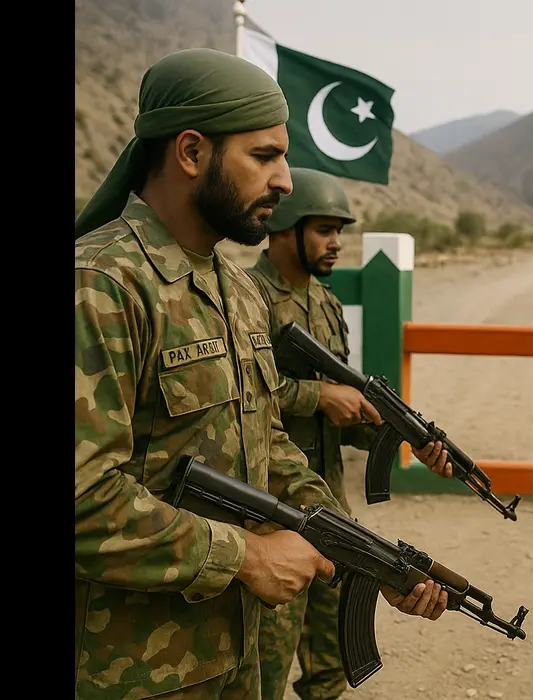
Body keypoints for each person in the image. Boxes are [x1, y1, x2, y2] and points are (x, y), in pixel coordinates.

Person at [75, 48, 446, 700]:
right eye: (265, 156)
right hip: (127, 673)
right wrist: (245, 556)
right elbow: (83, 497)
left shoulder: (234, 290)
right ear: (191, 153)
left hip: (232, 657)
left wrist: (371, 558)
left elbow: (269, 445)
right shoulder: (102, 286)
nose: (284, 179)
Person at [243, 167, 388, 700]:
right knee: (264, 670)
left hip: (326, 497)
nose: (336, 243)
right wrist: (318, 396)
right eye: (324, 229)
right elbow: (241, 394)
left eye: (340, 232)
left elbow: (340, 414)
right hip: (267, 509)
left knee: (332, 660)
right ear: (284, 227)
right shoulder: (245, 296)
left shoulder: (326, 304)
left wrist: (384, 433)